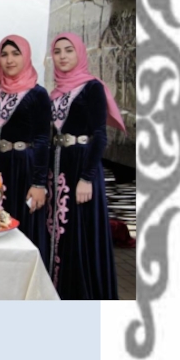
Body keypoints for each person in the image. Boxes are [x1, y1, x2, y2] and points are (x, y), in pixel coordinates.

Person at [48, 33, 126, 300]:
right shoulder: (56, 91)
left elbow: (100, 136)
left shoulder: (92, 87)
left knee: (79, 233)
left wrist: (87, 178)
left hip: (81, 169)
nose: (63, 56)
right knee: (59, 232)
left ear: (80, 53)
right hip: (58, 168)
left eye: (69, 50)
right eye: (57, 51)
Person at [0, 35, 51, 267]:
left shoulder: (37, 94)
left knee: (23, 229)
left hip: (24, 169)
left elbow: (43, 139)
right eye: (4, 55)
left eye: (16, 54)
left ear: (26, 57)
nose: (9, 60)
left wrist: (39, 183)